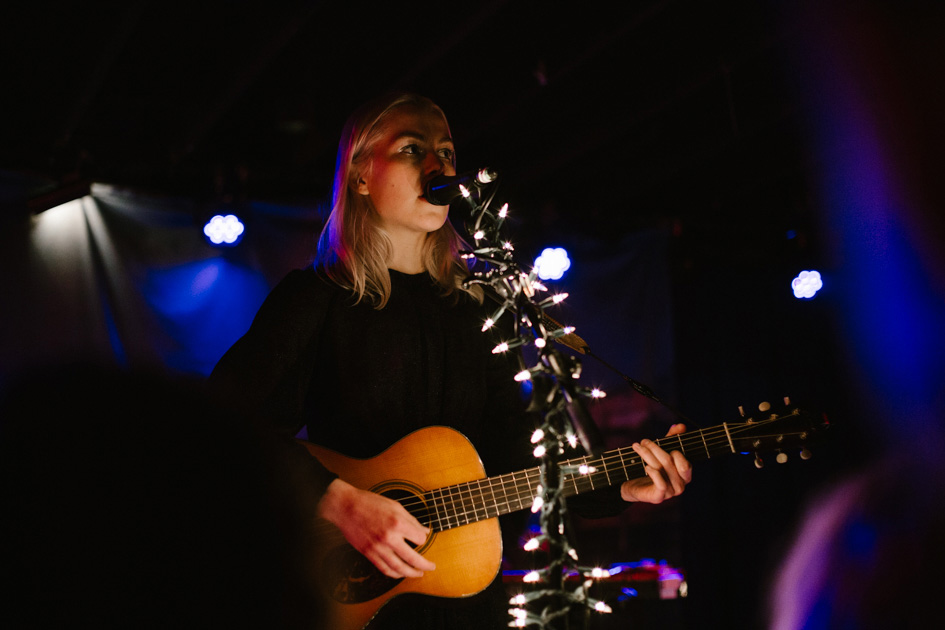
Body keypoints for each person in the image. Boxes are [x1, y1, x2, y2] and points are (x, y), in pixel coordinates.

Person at [207, 92, 692, 628]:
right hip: (346, 603)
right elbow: (225, 425)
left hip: (465, 608)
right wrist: (340, 502)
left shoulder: (478, 307)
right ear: (362, 175)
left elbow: (518, 460)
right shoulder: (317, 297)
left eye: (448, 152)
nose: (440, 168)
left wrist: (621, 485)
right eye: (414, 150)